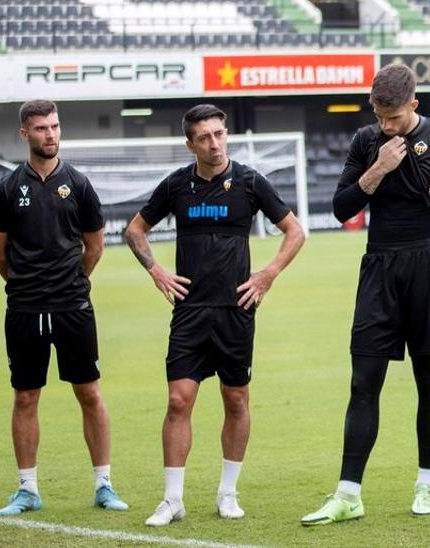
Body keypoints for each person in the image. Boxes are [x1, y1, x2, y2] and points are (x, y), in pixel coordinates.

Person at [301, 64, 430, 525]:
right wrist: (378, 168)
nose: (385, 126)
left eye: (394, 118)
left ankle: (426, 484)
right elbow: (342, 208)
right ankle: (348, 494)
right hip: (378, 265)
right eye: (379, 116)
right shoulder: (366, 142)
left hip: (426, 264)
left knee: (429, 379)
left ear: (413, 106)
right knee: (363, 382)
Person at [125, 104, 306, 526]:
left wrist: (267, 274)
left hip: (236, 310)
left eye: (220, 134)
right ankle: (172, 499)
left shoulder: (249, 182)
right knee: (178, 400)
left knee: (236, 399)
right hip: (190, 311)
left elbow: (295, 231)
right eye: (205, 137)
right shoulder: (175, 187)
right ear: (191, 144)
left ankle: (228, 492)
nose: (215, 143)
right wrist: (156, 271)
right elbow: (135, 230)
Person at [0, 99, 128, 516]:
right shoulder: (8, 189)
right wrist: (26, 285)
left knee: (89, 392)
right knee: (26, 396)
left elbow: (94, 245)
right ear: (24, 134)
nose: (50, 134)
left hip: (73, 306)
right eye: (41, 128)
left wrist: (73, 283)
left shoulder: (79, 184)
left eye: (55, 126)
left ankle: (104, 483)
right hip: (25, 308)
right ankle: (27, 489)